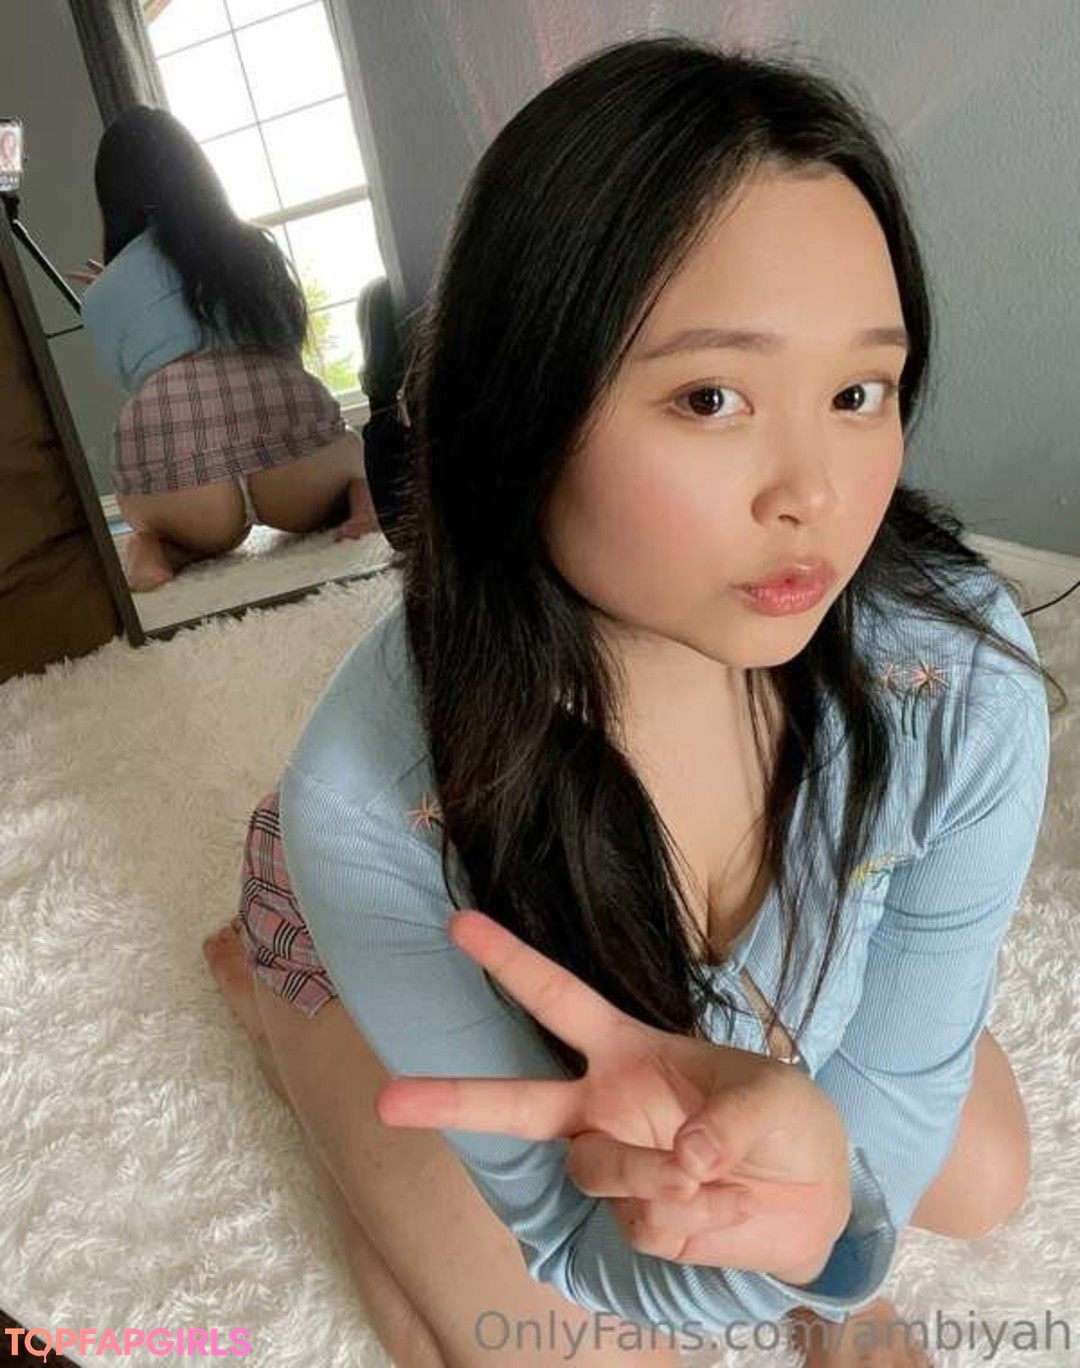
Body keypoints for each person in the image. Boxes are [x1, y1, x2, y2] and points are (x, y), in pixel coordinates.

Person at [201, 36, 1063, 1368]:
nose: (817, 493)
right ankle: (288, 1012)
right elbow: (577, 1244)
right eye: (712, 397)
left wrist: (821, 1234)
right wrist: (798, 1249)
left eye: (859, 391)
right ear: (516, 409)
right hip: (384, 903)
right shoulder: (375, 807)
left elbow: (865, 1179)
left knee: (985, 1179)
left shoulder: (957, 678)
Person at [73, 106, 382, 593]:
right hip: (294, 479)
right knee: (353, 453)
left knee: (144, 512)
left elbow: (136, 382)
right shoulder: (253, 246)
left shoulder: (102, 294)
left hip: (195, 503)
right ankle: (363, 505)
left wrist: (114, 292)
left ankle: (154, 548)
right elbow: (287, 348)